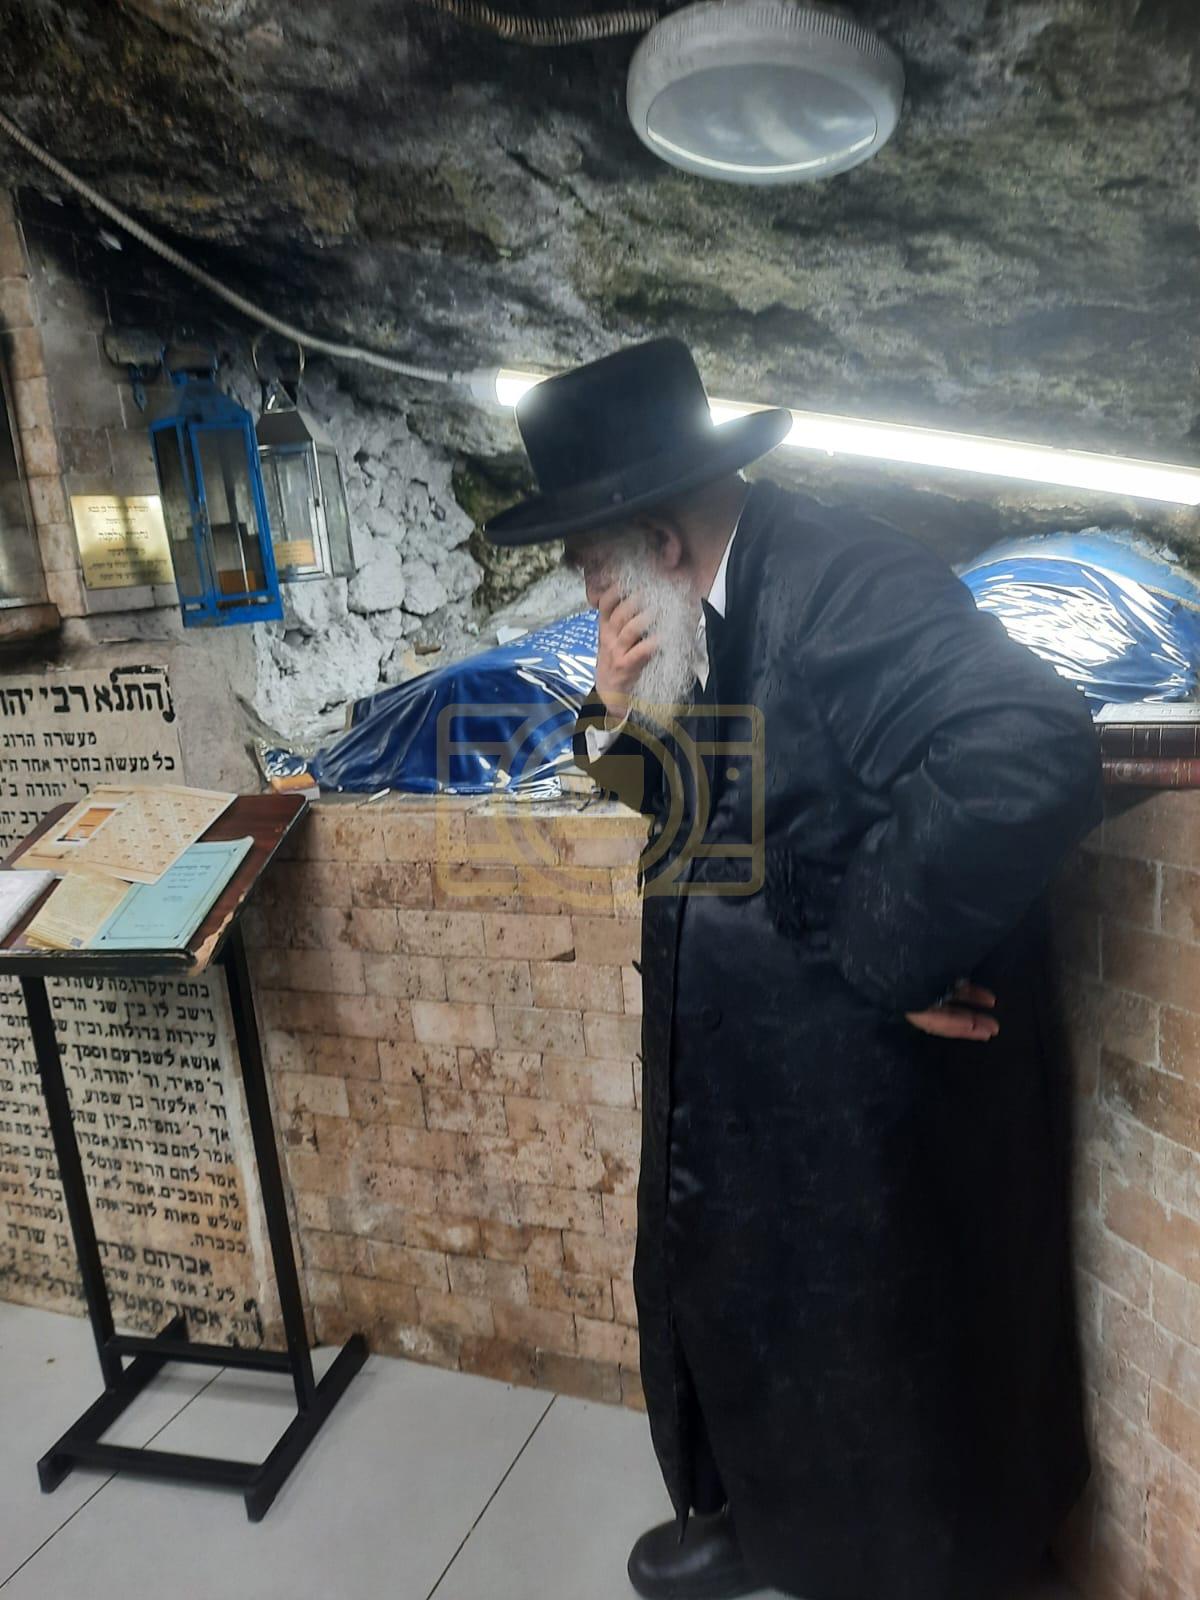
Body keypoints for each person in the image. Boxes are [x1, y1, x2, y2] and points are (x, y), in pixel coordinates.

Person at [484, 339, 1103, 1600]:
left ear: (659, 541)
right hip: (769, 1100)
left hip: (865, 1108)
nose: (583, 588)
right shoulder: (708, 607)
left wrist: (883, 953)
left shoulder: (839, 582)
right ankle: (770, 1524)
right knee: (773, 1331)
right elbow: (707, 818)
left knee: (885, 1363)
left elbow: (1028, 747)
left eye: (589, 560)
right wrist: (616, 714)